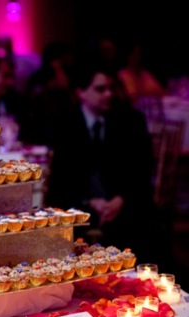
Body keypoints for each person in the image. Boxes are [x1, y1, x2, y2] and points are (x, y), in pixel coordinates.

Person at [46, 64, 158, 262]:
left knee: (143, 221)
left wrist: (119, 200)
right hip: (80, 205)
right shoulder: (65, 123)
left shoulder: (129, 120)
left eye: (111, 88)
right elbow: (60, 180)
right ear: (81, 92)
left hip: (124, 204)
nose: (108, 94)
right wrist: (89, 202)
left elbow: (141, 170)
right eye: (100, 89)